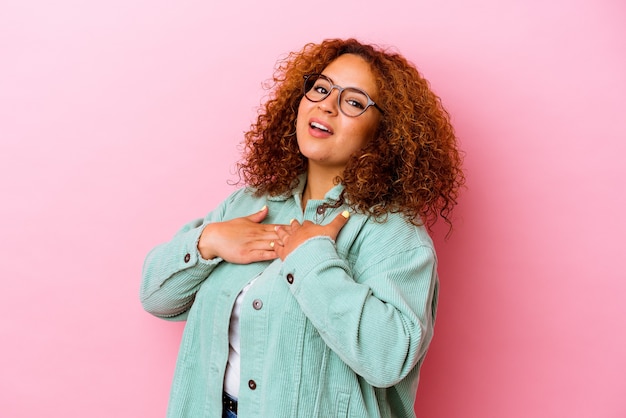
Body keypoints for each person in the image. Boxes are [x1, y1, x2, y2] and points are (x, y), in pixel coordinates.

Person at [140, 38, 464, 418]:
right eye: (321, 88)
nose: (327, 104)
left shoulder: (394, 235)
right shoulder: (251, 203)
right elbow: (156, 298)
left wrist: (312, 260)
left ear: (385, 133)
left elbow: (388, 359)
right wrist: (208, 240)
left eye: (354, 101)